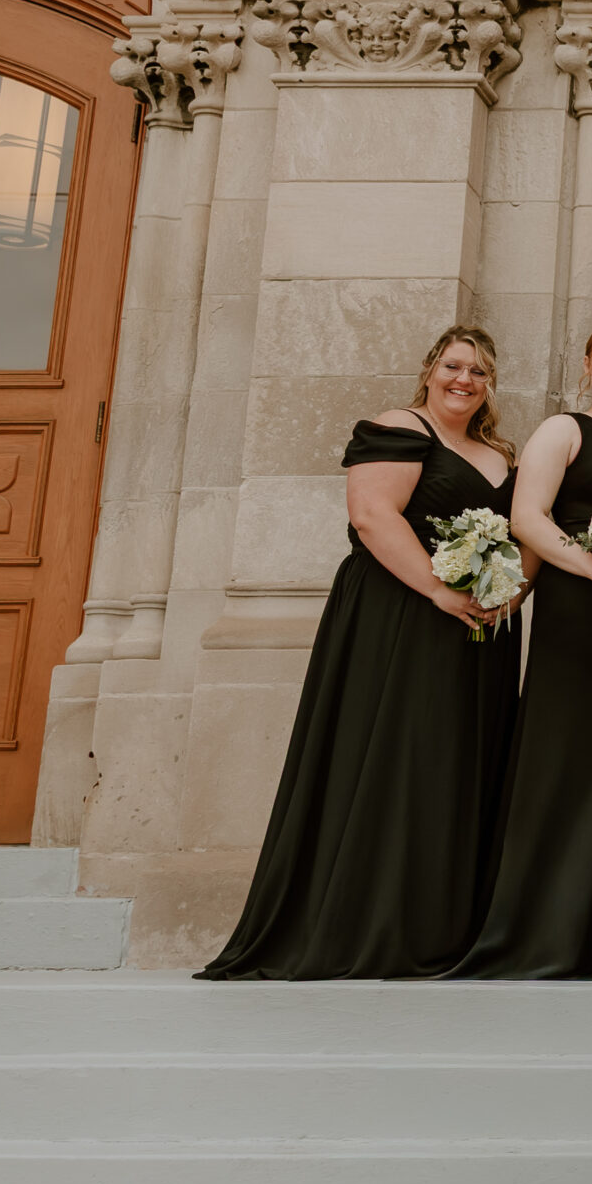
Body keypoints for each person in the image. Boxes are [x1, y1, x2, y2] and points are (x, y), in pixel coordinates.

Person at [201, 326, 527, 980]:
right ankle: (372, 923)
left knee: (452, 765)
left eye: (479, 372)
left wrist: (504, 591)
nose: (464, 379)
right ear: (430, 368)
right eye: (453, 366)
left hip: (478, 629)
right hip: (403, 616)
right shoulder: (399, 426)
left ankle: (440, 924)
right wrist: (439, 588)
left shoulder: (495, 449)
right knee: (398, 757)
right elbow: (373, 514)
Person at [449, 322, 592, 979]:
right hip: (579, 616)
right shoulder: (564, 431)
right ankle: (538, 928)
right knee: (565, 760)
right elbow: (529, 519)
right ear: (587, 363)